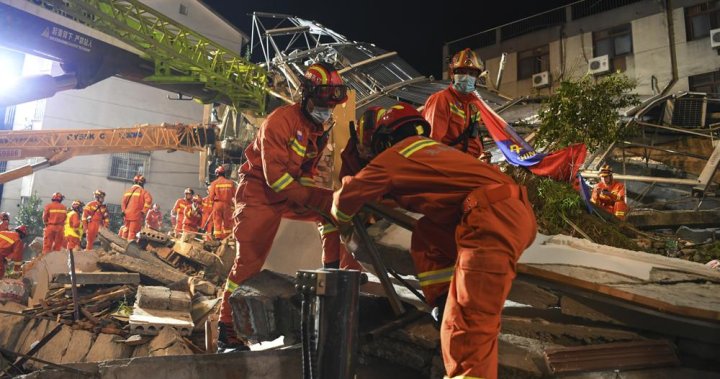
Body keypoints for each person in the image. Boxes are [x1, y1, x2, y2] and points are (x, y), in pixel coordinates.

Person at [330, 103, 536, 379]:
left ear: (385, 139)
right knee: (427, 233)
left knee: (466, 326)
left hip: (490, 219)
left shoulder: (395, 155)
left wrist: (339, 218)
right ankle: (440, 299)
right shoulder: (434, 153)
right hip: (508, 212)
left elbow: (348, 196)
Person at [217, 62, 358, 349]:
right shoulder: (280, 121)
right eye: (323, 103)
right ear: (306, 95)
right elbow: (275, 179)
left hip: (290, 190)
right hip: (260, 193)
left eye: (332, 105)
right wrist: (311, 197)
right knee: (249, 262)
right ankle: (227, 329)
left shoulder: (317, 128)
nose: (327, 110)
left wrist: (326, 199)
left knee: (333, 211)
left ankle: (334, 282)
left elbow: (304, 175)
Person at [422, 48, 487, 158]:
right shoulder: (442, 99)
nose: (467, 77)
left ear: (477, 78)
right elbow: (431, 143)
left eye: (472, 73)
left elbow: (477, 136)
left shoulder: (474, 105)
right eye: (462, 72)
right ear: (452, 74)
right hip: (448, 163)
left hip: (468, 162)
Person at [339, 106, 386, 180]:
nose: (363, 154)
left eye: (370, 151)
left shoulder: (390, 161)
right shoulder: (351, 152)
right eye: (361, 149)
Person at [121, 175, 153, 240]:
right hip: (136, 215)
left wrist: (124, 211)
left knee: (126, 229)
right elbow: (149, 201)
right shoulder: (144, 192)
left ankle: (122, 243)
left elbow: (123, 203)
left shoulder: (128, 191)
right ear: (142, 183)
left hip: (126, 215)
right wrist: (143, 211)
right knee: (133, 232)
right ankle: (129, 247)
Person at [208, 166, 236, 240]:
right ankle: (227, 237)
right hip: (227, 205)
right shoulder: (231, 183)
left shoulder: (214, 183)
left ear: (217, 174)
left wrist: (211, 207)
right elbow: (235, 195)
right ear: (224, 173)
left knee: (217, 221)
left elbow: (211, 197)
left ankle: (218, 239)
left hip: (217, 205)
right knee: (227, 222)